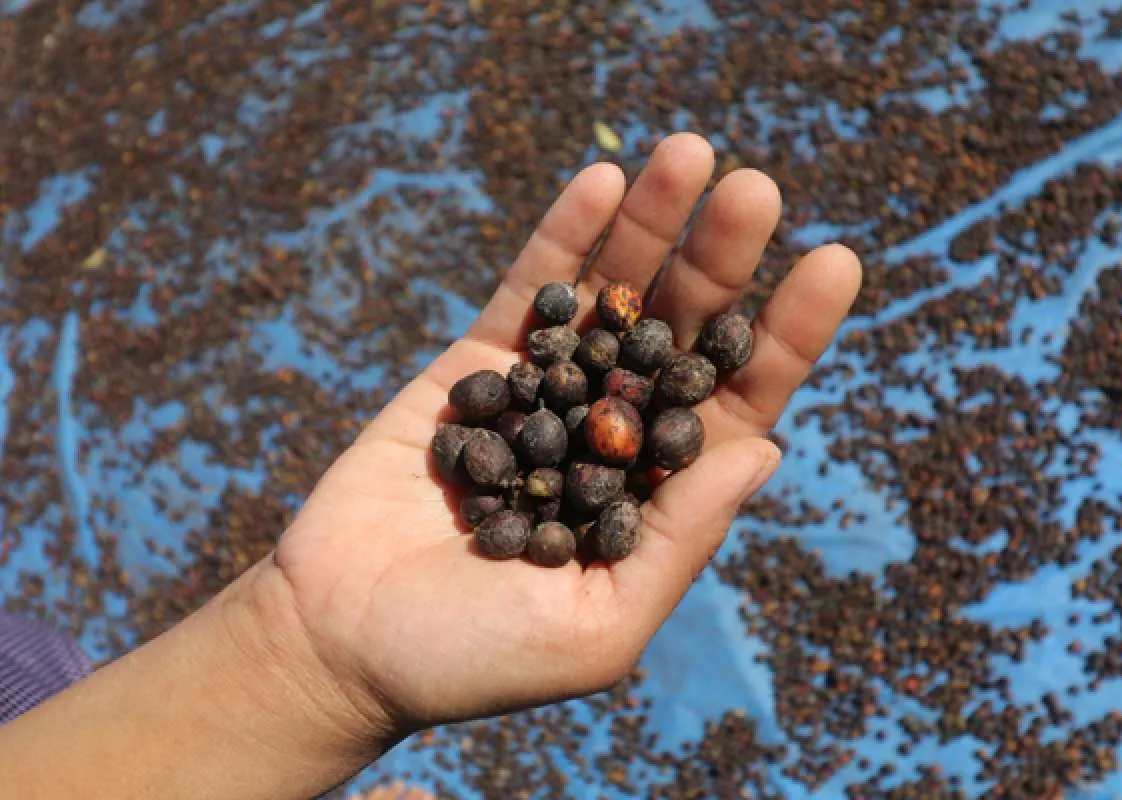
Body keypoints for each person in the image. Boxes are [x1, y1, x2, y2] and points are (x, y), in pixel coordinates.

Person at [0, 133, 861, 798]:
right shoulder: (559, 428)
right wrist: (310, 662)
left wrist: (300, 664)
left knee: (57, 694)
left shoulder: (596, 407)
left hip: (43, 715)